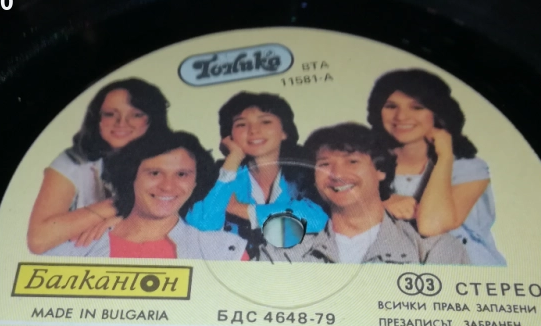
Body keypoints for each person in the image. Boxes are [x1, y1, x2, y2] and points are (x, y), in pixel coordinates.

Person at [257, 123, 469, 264]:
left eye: (352, 162)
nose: (337, 174)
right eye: (324, 164)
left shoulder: (434, 248)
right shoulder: (284, 250)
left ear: (380, 170)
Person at [367, 69, 506, 265]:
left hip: (467, 271)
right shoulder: (365, 162)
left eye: (417, 107)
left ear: (437, 112)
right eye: (391, 106)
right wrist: (382, 203)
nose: (401, 116)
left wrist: (445, 157)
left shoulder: (469, 168)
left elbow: (432, 225)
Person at [45, 131, 247, 260]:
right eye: (155, 173)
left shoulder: (226, 251)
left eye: (181, 174)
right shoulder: (75, 247)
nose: (168, 186)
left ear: (195, 182)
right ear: (131, 176)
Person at [27, 78, 169, 254]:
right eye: (110, 114)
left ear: (152, 120)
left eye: (136, 114)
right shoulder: (73, 161)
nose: (121, 122)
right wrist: (121, 206)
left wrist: (131, 220)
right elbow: (39, 240)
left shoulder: (174, 160)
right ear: (97, 119)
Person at [184, 92, 328, 253]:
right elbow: (201, 226)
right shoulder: (222, 175)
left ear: (284, 131)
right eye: (241, 124)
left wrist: (240, 209)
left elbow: (319, 219)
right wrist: (233, 158)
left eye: (265, 122)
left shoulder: (306, 172)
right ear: (230, 135)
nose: (253, 130)